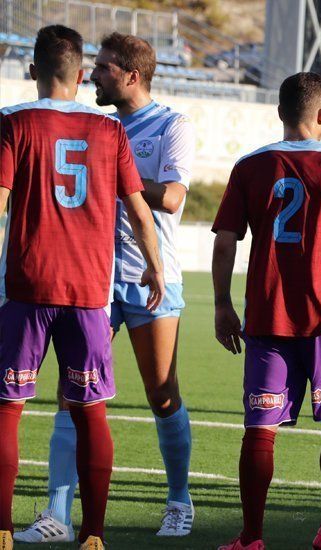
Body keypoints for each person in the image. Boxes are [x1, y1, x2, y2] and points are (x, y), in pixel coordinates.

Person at [14, 32, 197, 543]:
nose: (92, 75)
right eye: (91, 67)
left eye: (103, 68)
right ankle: (57, 514)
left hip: (150, 275)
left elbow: (174, 197)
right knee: (71, 395)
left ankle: (179, 500)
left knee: (162, 394)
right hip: (90, 276)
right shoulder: (98, 126)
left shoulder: (171, 125)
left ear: (131, 76)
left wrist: (118, 173)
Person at [211, 72, 321, 550]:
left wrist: (223, 303)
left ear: (280, 113)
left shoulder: (250, 165)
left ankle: (251, 537)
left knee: (260, 427)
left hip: (268, 316)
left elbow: (226, 241)